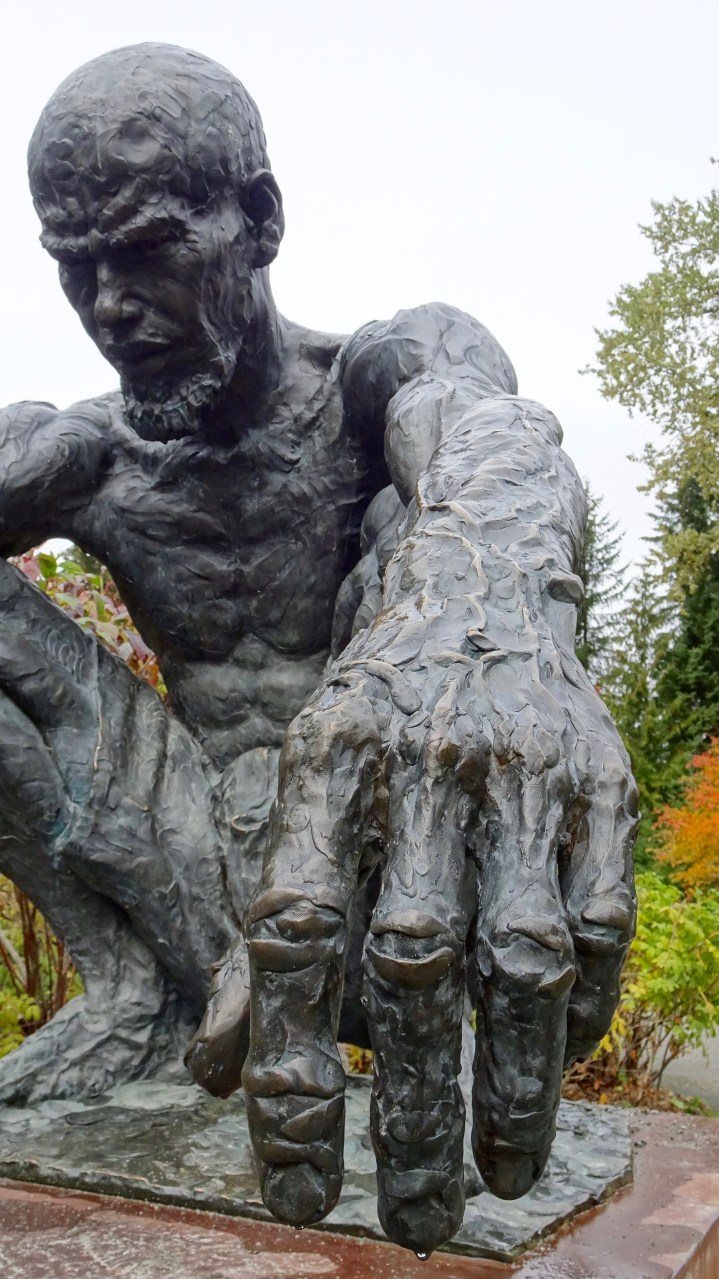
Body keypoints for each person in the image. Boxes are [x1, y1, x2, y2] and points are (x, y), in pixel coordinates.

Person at [0, 42, 637, 1255]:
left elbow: (485, 433)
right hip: (186, 870)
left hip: (382, 883)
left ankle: (389, 1013)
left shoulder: (375, 375)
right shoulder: (84, 454)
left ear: (259, 220)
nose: (110, 306)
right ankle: (134, 996)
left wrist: (480, 606)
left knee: (429, 520)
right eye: (75, 266)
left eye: (147, 248)